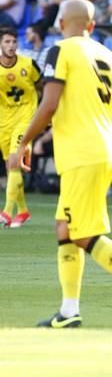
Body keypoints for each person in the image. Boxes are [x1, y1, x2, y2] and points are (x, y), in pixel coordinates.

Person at [11, 0, 112, 328]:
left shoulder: (60, 51)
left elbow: (50, 103)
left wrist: (24, 141)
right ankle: (69, 311)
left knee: (84, 234)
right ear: (92, 26)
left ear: (59, 24)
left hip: (81, 153)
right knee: (65, 228)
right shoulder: (110, 56)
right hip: (106, 149)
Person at [0, 27, 41, 228]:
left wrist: (43, 115)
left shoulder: (28, 64)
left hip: (26, 119)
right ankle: (23, 211)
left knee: (15, 162)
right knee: (10, 166)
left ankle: (6, 213)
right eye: (7, 42)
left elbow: (43, 86)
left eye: (14, 42)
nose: (11, 46)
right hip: (5, 121)